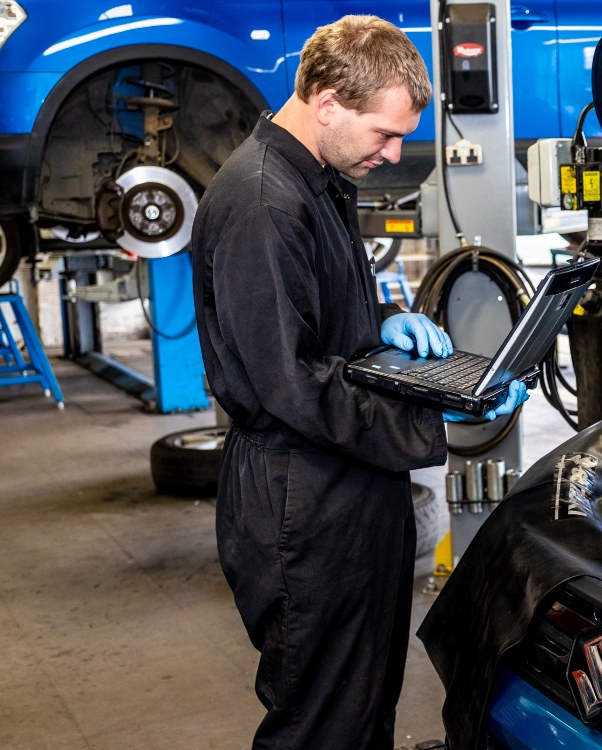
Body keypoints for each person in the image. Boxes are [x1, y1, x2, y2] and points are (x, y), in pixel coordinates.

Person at [190, 15, 527, 749]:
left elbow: (317, 310)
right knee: (323, 724)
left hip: (343, 482)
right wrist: (435, 423)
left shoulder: (317, 179)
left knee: (365, 702)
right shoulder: (262, 202)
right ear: (327, 100)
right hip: (301, 499)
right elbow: (291, 384)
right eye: (385, 134)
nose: (396, 152)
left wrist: (382, 322)